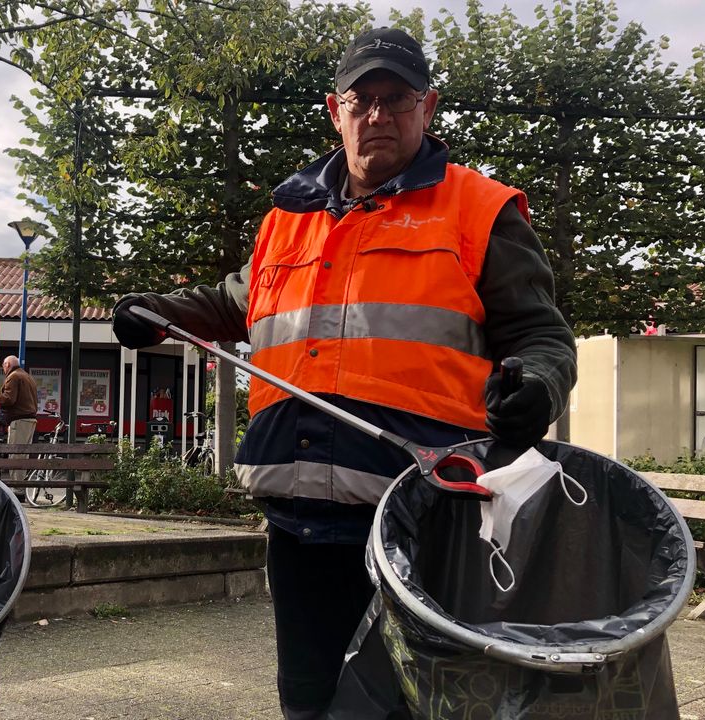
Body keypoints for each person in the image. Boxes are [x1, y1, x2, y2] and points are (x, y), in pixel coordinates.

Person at [112, 26, 577, 719]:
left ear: (430, 107)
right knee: (309, 699)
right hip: (297, 519)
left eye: (397, 99)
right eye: (362, 100)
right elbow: (236, 301)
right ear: (336, 110)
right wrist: (155, 310)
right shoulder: (286, 216)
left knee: (412, 705)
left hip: (422, 521)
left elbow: (541, 333)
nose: (377, 115)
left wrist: (537, 386)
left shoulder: (479, 211)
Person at [0, 356, 38, 481]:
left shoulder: (14, 376)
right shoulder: (27, 376)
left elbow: (9, 399)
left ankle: (17, 488)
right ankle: (20, 485)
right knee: (23, 454)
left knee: (16, 454)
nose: (4, 369)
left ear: (7, 365)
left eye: (4, 366)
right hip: (29, 419)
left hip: (19, 420)